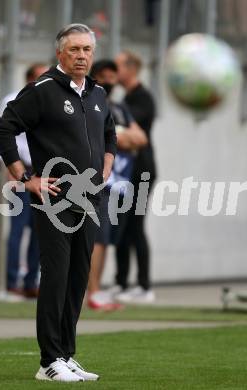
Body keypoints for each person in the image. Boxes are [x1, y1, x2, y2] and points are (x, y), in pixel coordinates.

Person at [0, 23, 116, 382]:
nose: (81, 56)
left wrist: (107, 164)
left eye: (87, 50)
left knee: (78, 278)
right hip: (54, 200)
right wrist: (24, 178)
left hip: (90, 198)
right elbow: (4, 128)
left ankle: (66, 353)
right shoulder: (42, 90)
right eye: (74, 49)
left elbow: (109, 132)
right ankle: (49, 360)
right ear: (61, 52)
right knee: (56, 277)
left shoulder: (98, 93)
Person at [87, 59, 148, 310]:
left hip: (118, 182)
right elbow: (97, 137)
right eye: (104, 75)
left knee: (108, 238)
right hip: (97, 180)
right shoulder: (89, 102)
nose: (110, 80)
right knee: (97, 238)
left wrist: (118, 136)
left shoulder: (119, 107)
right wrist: (120, 138)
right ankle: (93, 291)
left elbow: (140, 138)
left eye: (113, 75)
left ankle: (97, 289)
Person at [0, 63, 48, 298]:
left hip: (44, 172)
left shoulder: (50, 100)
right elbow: (5, 135)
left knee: (40, 230)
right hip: (21, 170)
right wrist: (11, 170)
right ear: (29, 79)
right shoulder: (13, 99)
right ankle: (11, 280)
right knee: (18, 228)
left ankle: (31, 281)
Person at [113, 50, 157, 303]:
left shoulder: (143, 98)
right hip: (125, 172)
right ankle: (121, 282)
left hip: (142, 171)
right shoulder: (126, 98)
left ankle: (144, 285)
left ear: (130, 69)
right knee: (122, 226)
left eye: (118, 67)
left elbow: (129, 130)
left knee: (136, 225)